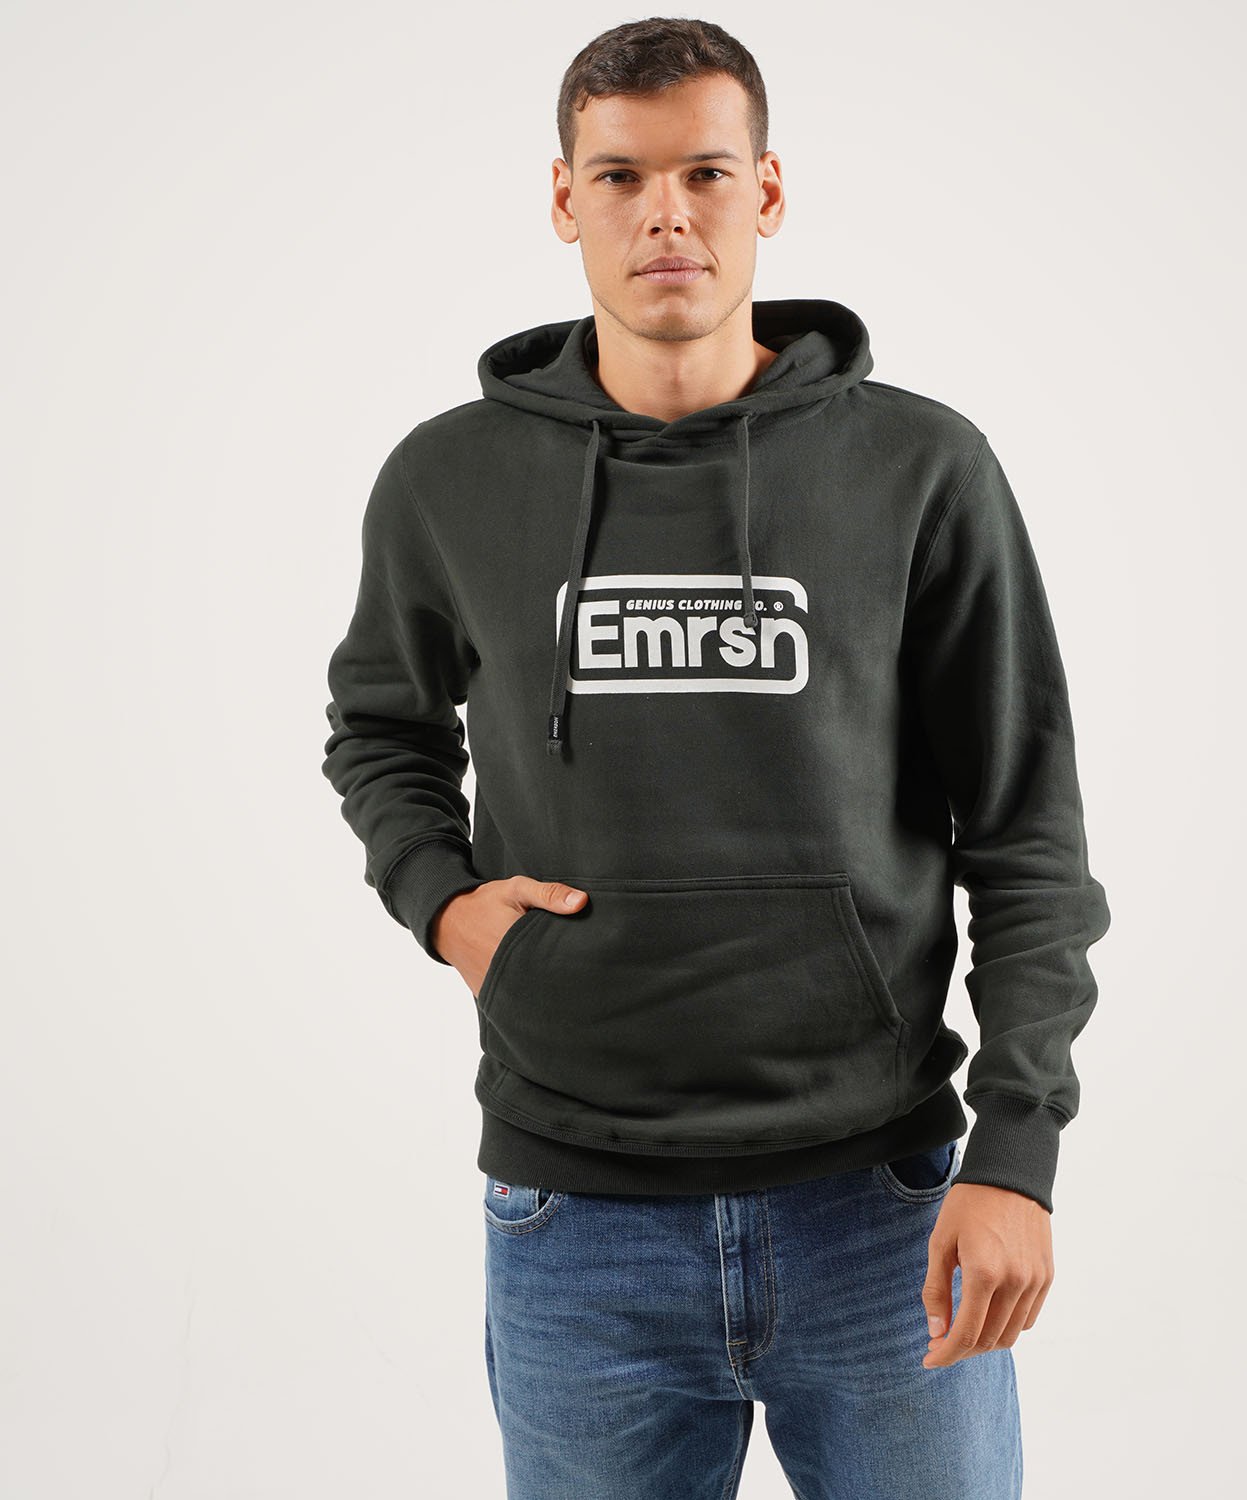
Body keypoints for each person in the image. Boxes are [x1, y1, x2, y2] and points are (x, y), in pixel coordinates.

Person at [320, 16, 1110, 1498]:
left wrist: (1017, 1149)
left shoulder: (920, 469)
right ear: (566, 200)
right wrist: (444, 903)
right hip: (576, 1226)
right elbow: (382, 724)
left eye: (705, 172)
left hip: (880, 1209)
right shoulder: (450, 478)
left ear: (769, 191)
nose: (666, 214)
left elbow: (1025, 828)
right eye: (622, 177)